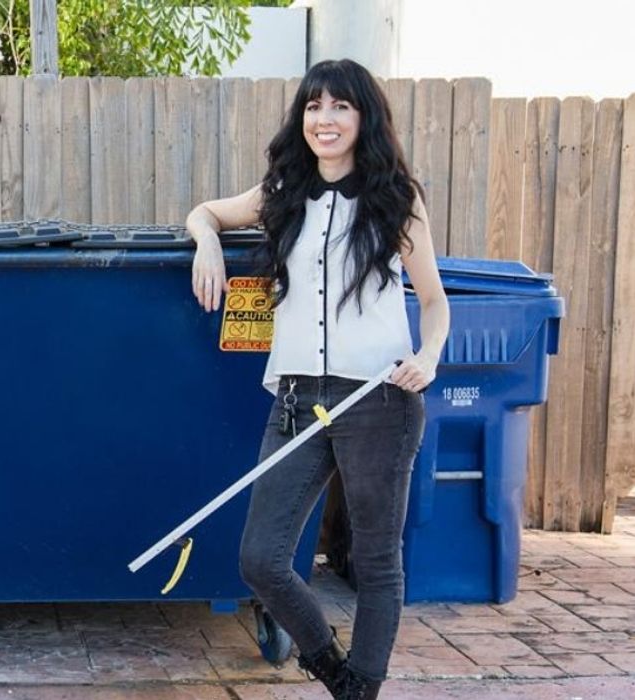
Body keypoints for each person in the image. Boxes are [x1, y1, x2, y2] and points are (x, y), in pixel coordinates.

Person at [185, 59, 449, 700]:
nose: (324, 120)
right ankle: (331, 666)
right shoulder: (282, 192)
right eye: (313, 107)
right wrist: (207, 242)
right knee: (261, 559)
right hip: (299, 400)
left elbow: (436, 303)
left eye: (340, 107)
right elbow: (205, 212)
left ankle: (362, 688)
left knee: (378, 562)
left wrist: (431, 357)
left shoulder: (396, 201)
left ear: (364, 119)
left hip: (379, 399)